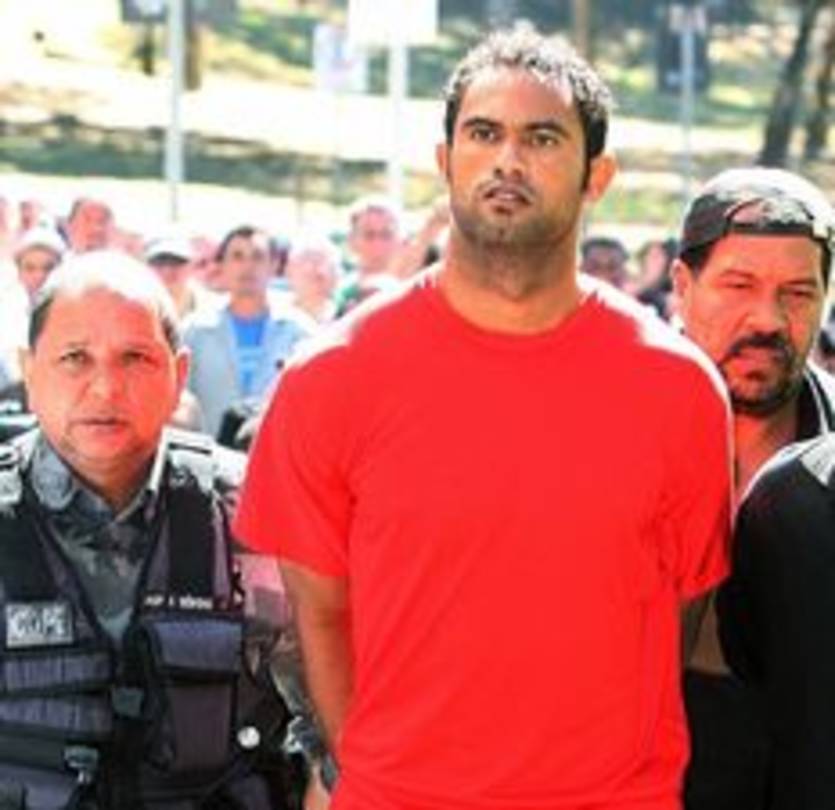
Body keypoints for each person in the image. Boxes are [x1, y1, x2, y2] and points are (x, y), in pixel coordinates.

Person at [235, 26, 732, 810]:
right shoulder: (330, 376)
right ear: (445, 161)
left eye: (542, 138)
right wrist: (389, 773)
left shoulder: (679, 390)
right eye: (483, 133)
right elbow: (317, 615)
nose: (508, 159)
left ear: (596, 176)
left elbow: (676, 613)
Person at [0, 250, 301, 809]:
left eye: (135, 358)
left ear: (179, 375)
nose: (105, 388)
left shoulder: (259, 514)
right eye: (74, 358)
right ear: (29, 370)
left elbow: (335, 726)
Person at [670, 166, 835, 810]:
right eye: (739, 285)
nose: (767, 318)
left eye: (797, 292)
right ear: (683, 286)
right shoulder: (597, 432)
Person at [182, 225, 312, 438]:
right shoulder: (194, 330)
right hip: (208, 451)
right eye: (237, 256)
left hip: (276, 450)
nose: (247, 266)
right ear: (222, 265)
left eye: (257, 257)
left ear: (274, 265)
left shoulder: (300, 331)